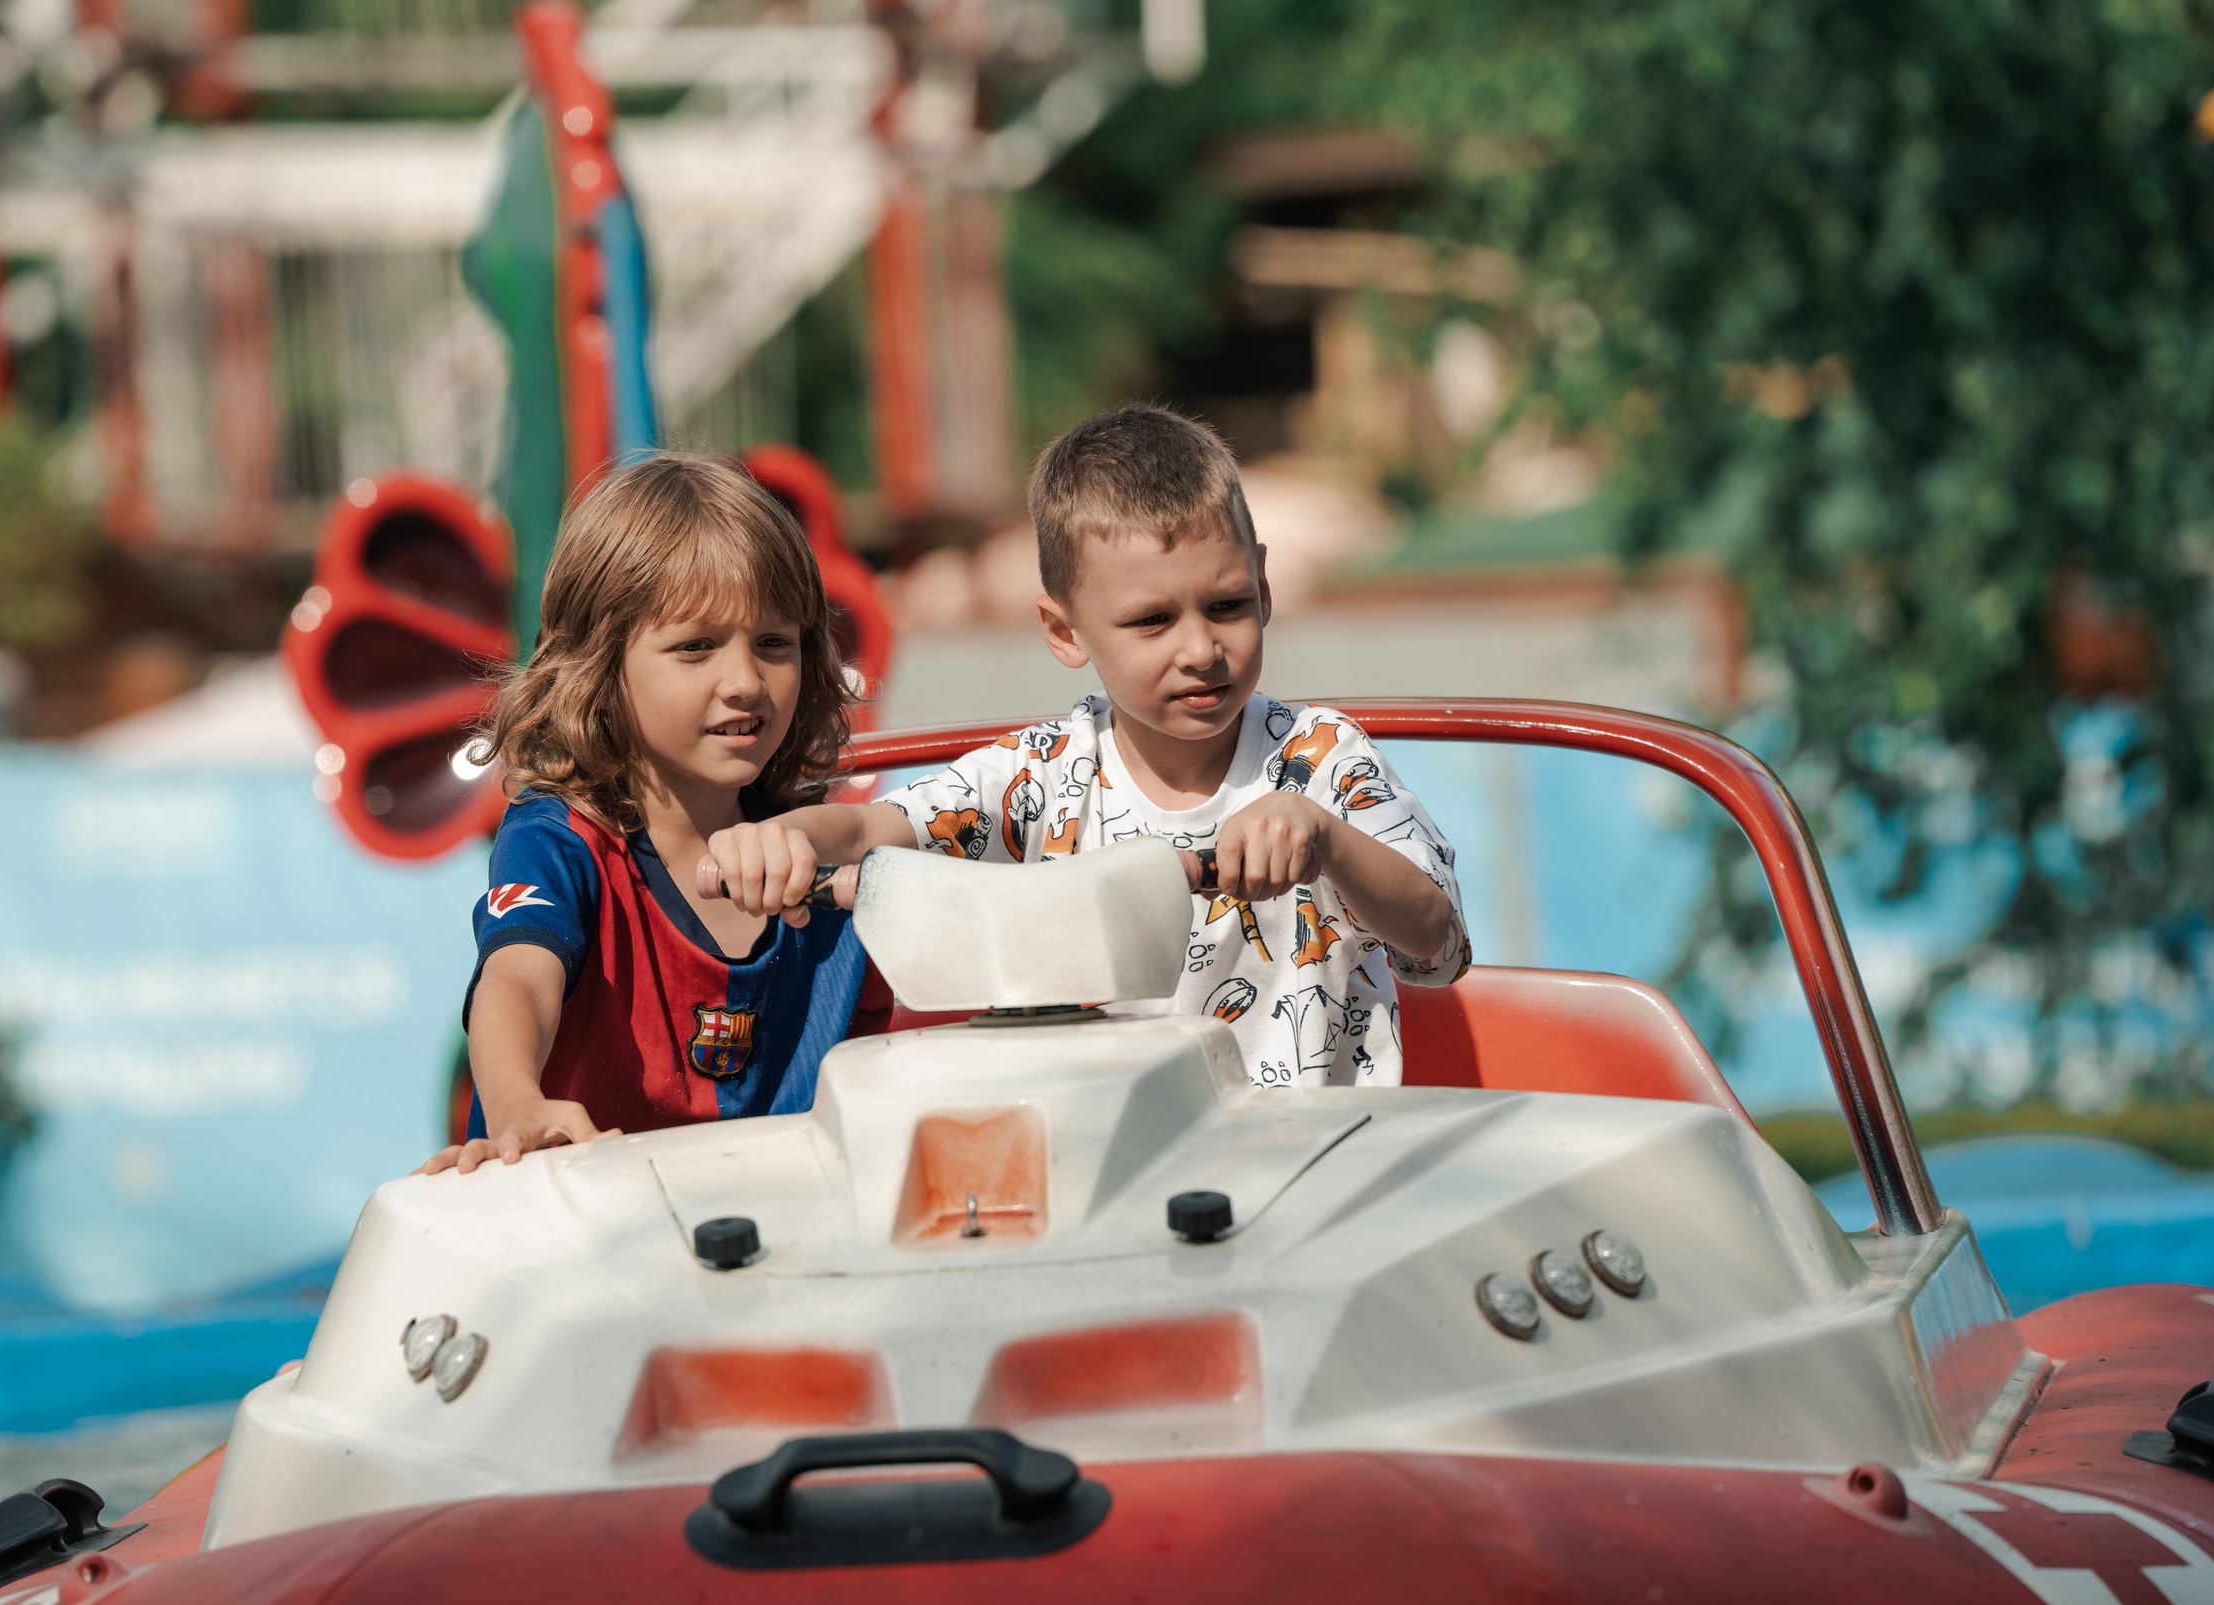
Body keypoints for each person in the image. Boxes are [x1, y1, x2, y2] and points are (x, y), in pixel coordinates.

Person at [705, 405, 1468, 1088]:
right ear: (1065, 631)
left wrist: (1324, 837)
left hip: (1312, 1166)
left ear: (1264, 586)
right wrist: (782, 839)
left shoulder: (1322, 759)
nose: (1201, 648)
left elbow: (1438, 946)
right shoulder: (1044, 772)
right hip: (1106, 1164)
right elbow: (873, 828)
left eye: (1228, 605)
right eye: (1152, 621)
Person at [420, 452, 885, 1173]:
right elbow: (516, 977)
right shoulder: (560, 840)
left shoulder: (832, 853)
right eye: (695, 647)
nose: (745, 681)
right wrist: (517, 1103)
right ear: (601, 670)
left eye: (774, 643)